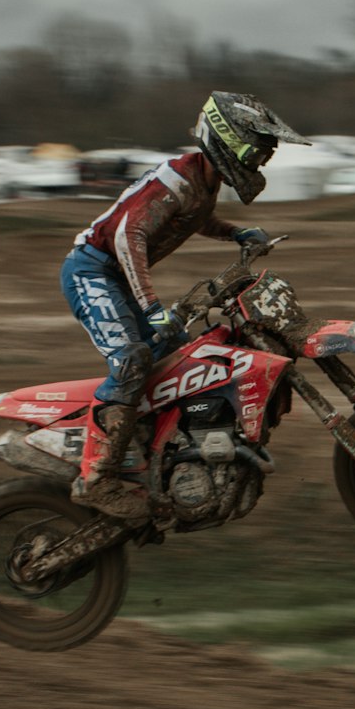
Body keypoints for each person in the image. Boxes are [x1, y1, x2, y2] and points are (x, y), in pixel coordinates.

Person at [60, 92, 310, 523]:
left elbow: (194, 218)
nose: (262, 160)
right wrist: (151, 305)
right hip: (92, 271)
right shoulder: (175, 179)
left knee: (184, 359)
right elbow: (127, 237)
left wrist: (236, 233)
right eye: (257, 150)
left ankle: (158, 458)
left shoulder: (202, 181)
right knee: (133, 359)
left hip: (117, 276)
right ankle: (96, 479)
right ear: (228, 141)